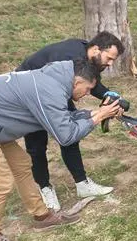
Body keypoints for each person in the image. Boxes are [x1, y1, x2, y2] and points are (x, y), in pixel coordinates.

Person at [0, 60, 122, 241]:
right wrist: (96, 119)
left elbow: (62, 117)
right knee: (0, 184)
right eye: (88, 89)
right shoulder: (50, 91)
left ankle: (42, 215)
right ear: (77, 82)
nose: (88, 94)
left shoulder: (53, 82)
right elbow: (66, 136)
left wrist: (95, 113)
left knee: (22, 165)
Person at [17, 32, 126, 210]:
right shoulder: (66, 57)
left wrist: (110, 96)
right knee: (37, 144)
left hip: (54, 92)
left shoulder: (88, 58)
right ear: (97, 49)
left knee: (70, 135)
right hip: (28, 95)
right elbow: (58, 87)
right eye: (109, 58)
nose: (111, 63)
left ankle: (82, 184)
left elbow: (92, 84)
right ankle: (44, 187)